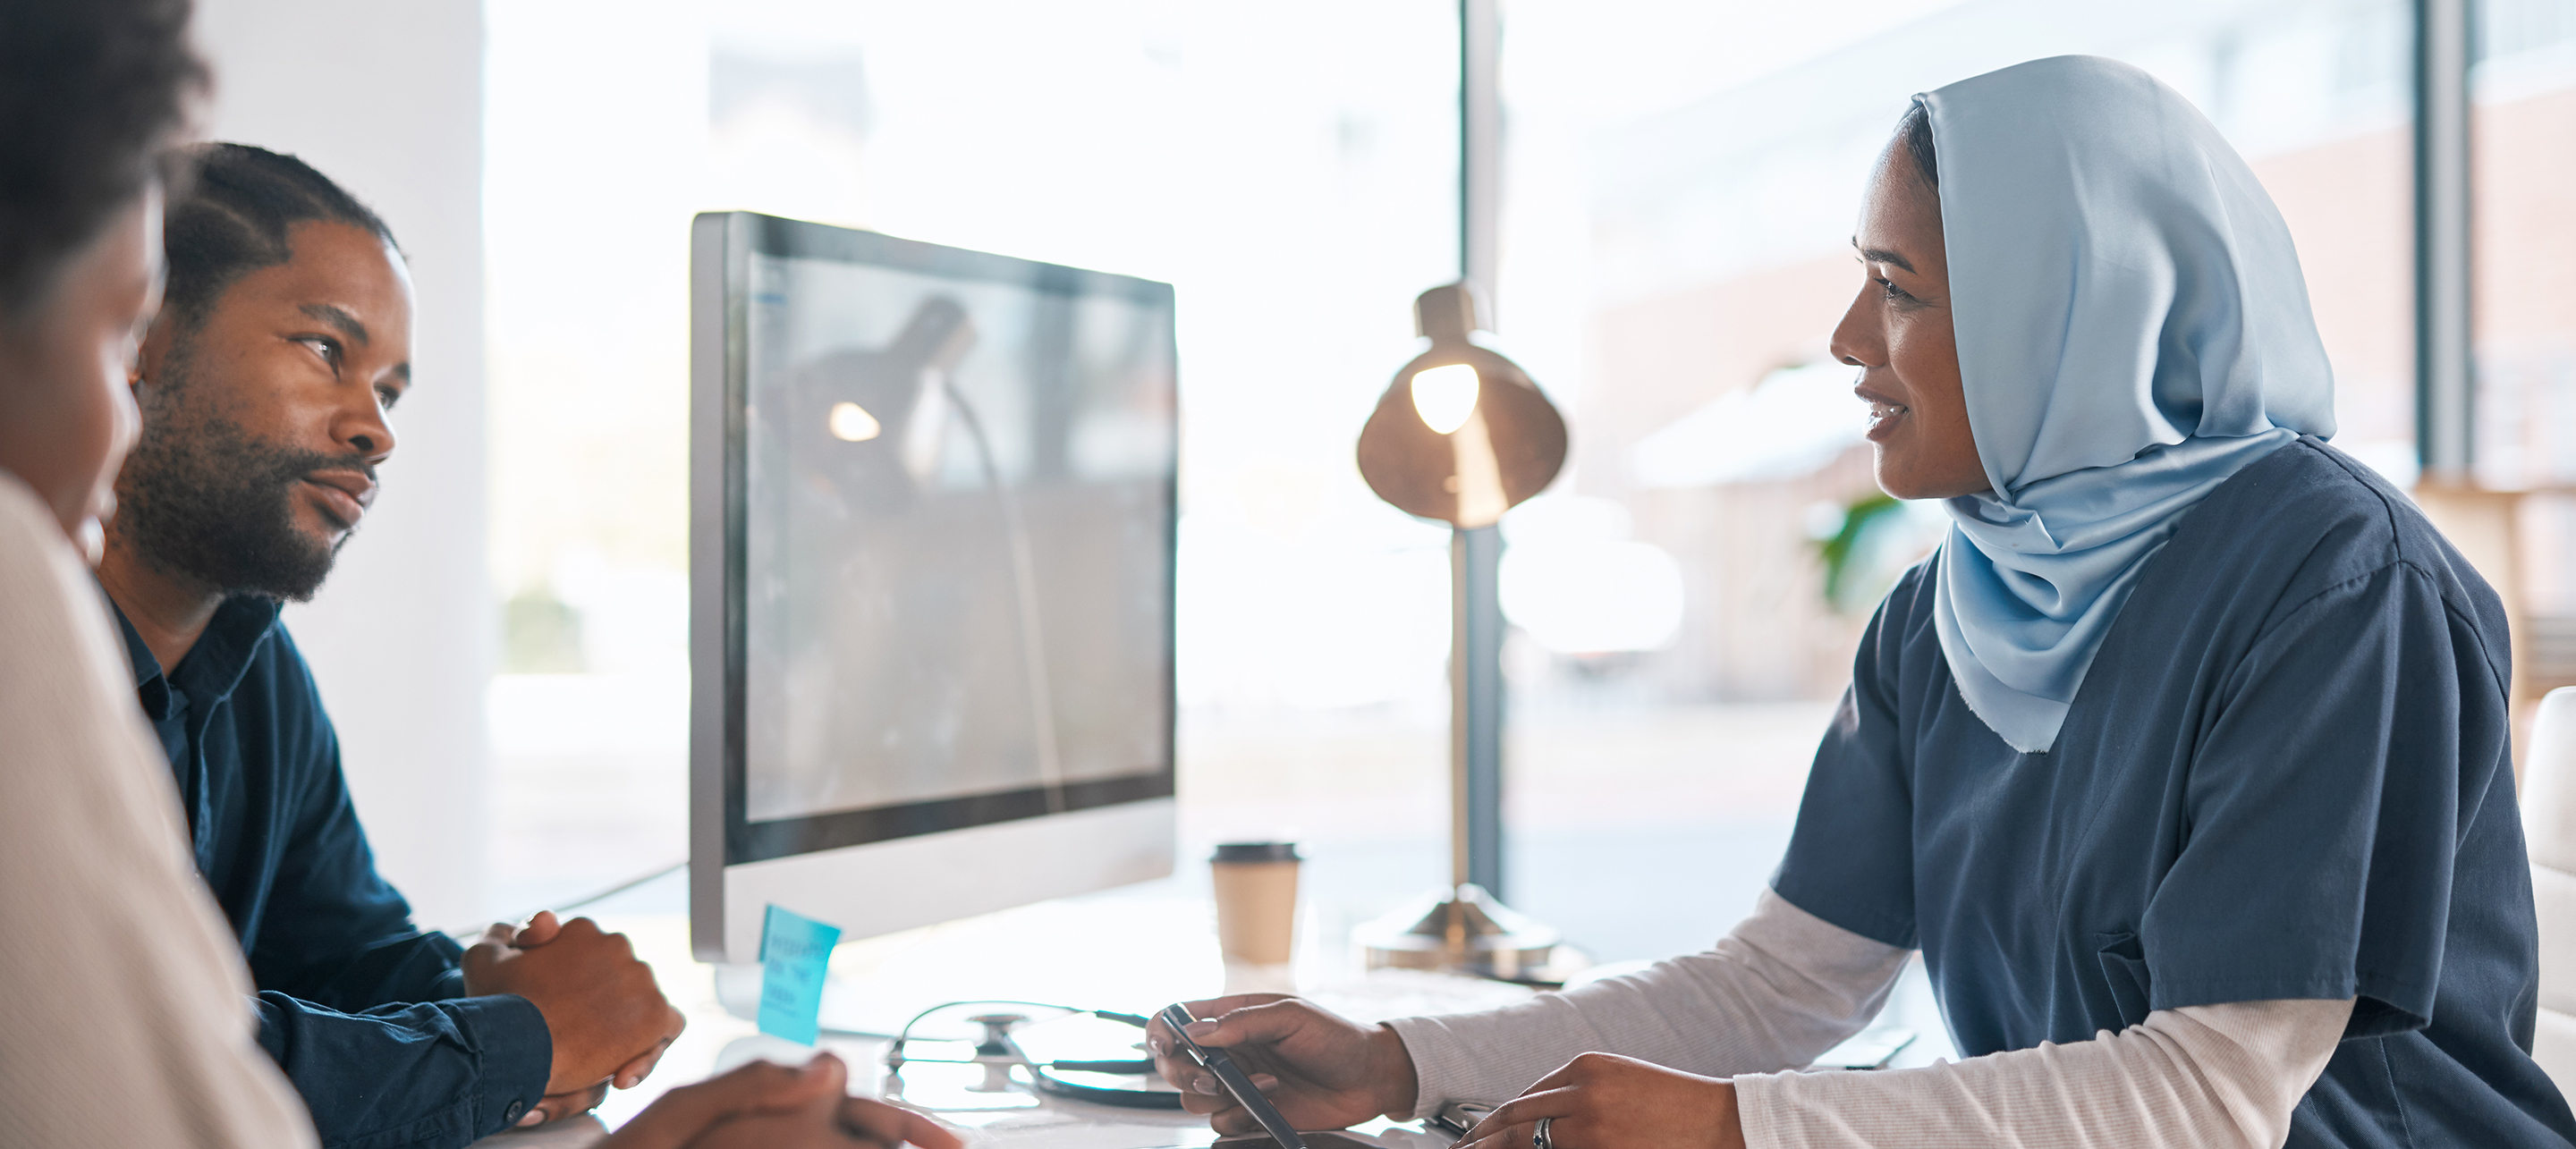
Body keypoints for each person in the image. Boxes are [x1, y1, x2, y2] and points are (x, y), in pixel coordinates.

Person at [1151, 55, 2576, 1148]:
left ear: (2071, 309)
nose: (1844, 342)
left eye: (1897, 288)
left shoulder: (2338, 590)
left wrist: (1733, 1125)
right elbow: (1784, 986)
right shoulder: (1950, 608)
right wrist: (1401, 1062)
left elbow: (2212, 1094)